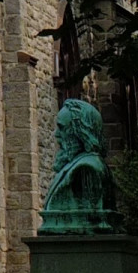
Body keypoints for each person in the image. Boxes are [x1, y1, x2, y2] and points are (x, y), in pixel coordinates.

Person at [39, 98, 121, 234]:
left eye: (62, 127)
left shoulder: (86, 169)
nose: (57, 135)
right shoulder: (79, 164)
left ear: (80, 131)